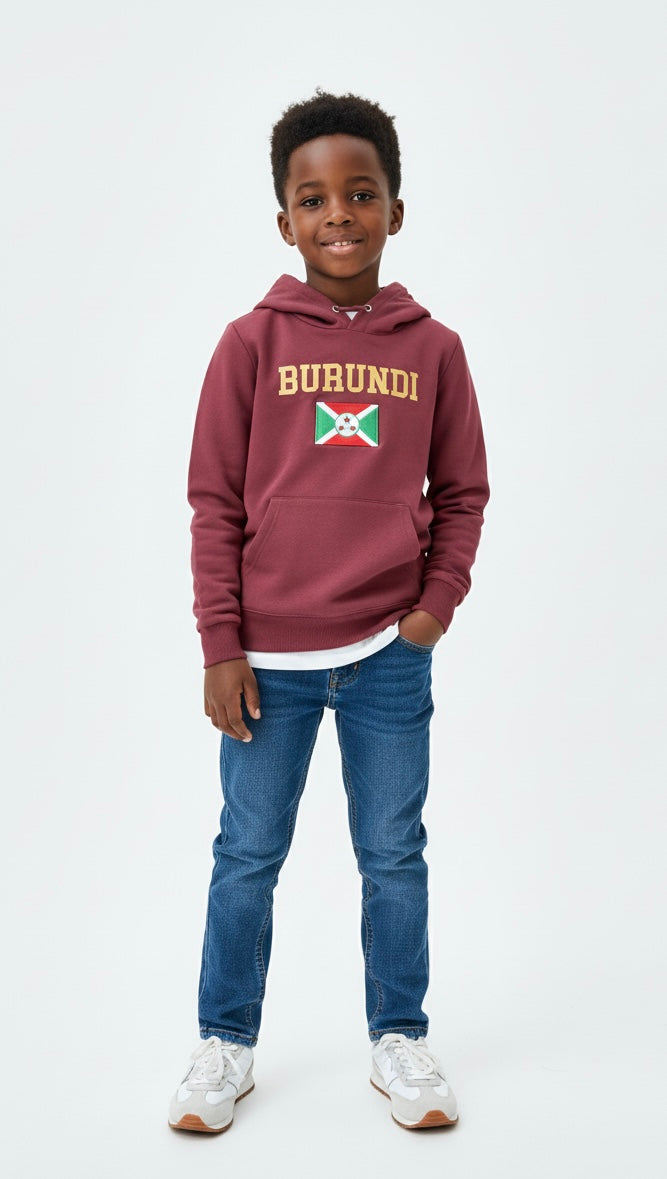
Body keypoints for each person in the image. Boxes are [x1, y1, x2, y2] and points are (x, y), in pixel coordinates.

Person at [168, 90, 490, 1134]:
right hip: (267, 659)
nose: (337, 214)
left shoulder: (433, 349)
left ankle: (399, 1037)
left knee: (392, 851)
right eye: (313, 200)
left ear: (395, 209)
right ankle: (225, 1043)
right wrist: (221, 644)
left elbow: (463, 493)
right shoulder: (248, 343)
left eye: (360, 193)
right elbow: (214, 503)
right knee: (246, 853)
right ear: (285, 221)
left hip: (389, 651)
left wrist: (433, 610)